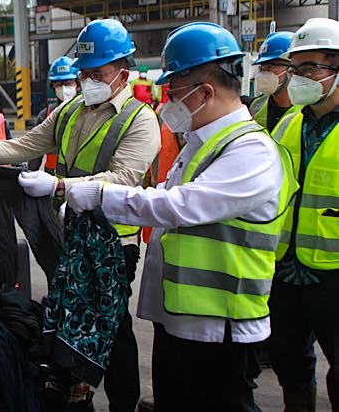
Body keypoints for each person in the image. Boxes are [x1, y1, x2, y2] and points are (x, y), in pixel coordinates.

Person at [65, 21, 296, 411]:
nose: (166, 104)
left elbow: (180, 206)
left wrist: (100, 193)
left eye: (173, 93)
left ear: (205, 92)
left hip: (220, 324)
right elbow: (165, 195)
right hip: (181, 317)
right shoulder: (201, 143)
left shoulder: (250, 151)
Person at [0, 18, 160, 412]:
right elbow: (23, 144)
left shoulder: (139, 120)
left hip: (113, 241)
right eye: (84, 74)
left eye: (98, 74)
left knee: (110, 325)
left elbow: (124, 178)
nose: (87, 81)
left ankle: (123, 402)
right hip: (72, 231)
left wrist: (58, 187)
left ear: (122, 74)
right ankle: (76, 393)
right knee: (70, 316)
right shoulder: (70, 112)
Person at [268, 17, 339, 412]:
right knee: (289, 364)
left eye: (311, 68)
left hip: (334, 272)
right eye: (295, 69)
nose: (300, 78)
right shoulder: (287, 126)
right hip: (286, 268)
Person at [247, 31, 300, 132]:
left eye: (271, 66)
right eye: (262, 68)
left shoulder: (307, 110)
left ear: (292, 69)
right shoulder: (255, 107)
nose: (264, 73)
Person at [35, 56, 80, 173]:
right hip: (51, 178)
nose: (63, 88)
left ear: (78, 84)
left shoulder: (90, 111)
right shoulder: (45, 115)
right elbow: (35, 151)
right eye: (58, 84)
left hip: (78, 178)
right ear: (53, 87)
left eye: (68, 83)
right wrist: (31, 174)